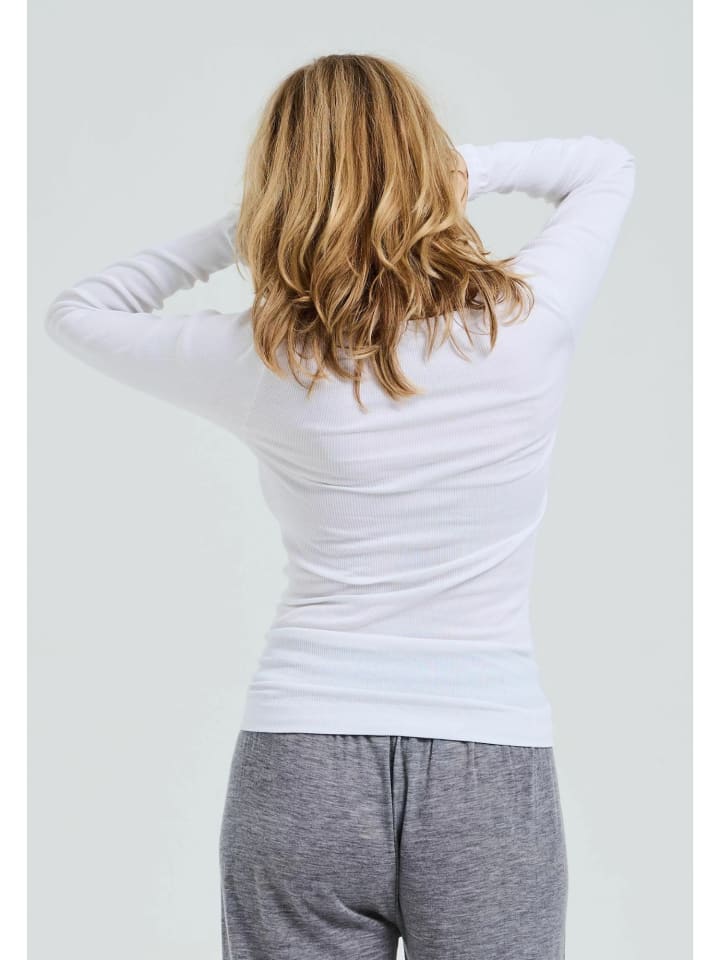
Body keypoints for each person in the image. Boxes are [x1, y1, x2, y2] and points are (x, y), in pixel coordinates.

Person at [44, 53, 636, 960]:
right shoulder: (529, 322)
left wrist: (259, 225)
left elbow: (81, 311)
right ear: (430, 162)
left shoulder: (265, 361)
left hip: (302, 759)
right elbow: (604, 165)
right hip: (487, 758)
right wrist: (451, 172)